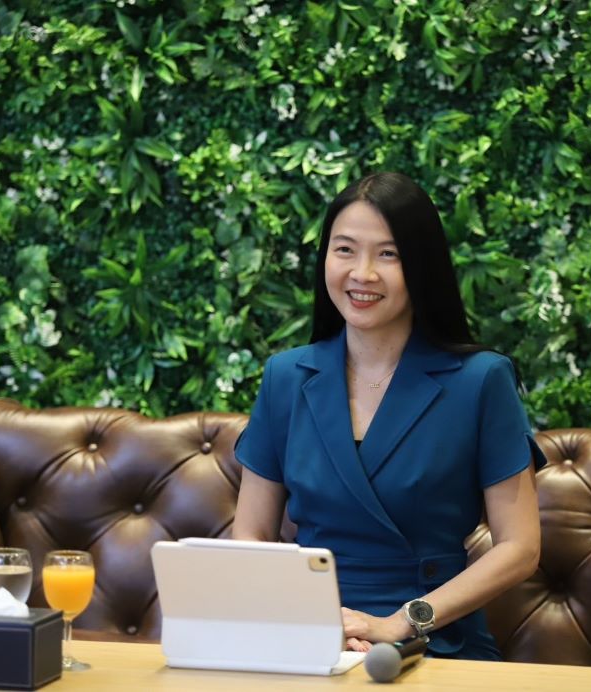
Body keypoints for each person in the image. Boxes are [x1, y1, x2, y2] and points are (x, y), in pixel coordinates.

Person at [232, 171, 546, 660]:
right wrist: (307, 618)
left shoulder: (482, 379)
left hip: (431, 640)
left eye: (388, 254)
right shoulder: (285, 376)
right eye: (344, 250)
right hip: (312, 638)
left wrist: (399, 622)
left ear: (422, 267)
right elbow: (251, 533)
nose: (363, 273)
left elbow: (520, 548)